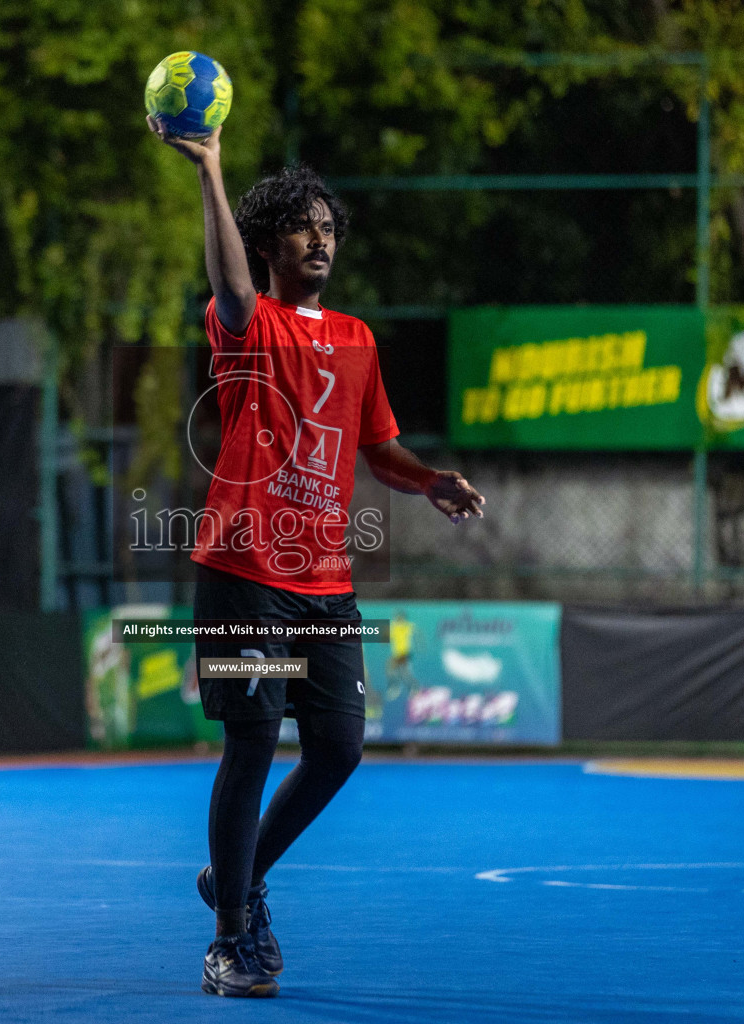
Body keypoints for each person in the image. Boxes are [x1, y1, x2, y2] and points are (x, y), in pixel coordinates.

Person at [148, 116, 486, 999]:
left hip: (324, 583)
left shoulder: (358, 339)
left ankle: (231, 875)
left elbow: (381, 450)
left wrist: (430, 480)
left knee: (339, 748)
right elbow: (224, 281)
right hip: (239, 571)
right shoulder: (248, 324)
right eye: (303, 227)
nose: (321, 239)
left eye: (329, 227)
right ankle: (232, 934)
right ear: (268, 244)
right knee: (253, 739)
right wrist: (211, 170)